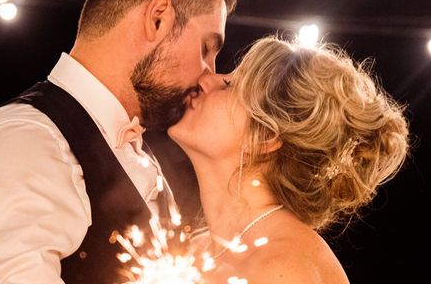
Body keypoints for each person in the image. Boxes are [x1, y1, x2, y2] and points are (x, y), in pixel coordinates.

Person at [0, 0, 237, 284]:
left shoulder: (138, 152)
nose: (208, 73)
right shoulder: (24, 140)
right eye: (207, 48)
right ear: (157, 19)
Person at [168, 36, 410, 283]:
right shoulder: (194, 251)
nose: (206, 79)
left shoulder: (284, 267)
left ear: (265, 136)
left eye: (230, 85)